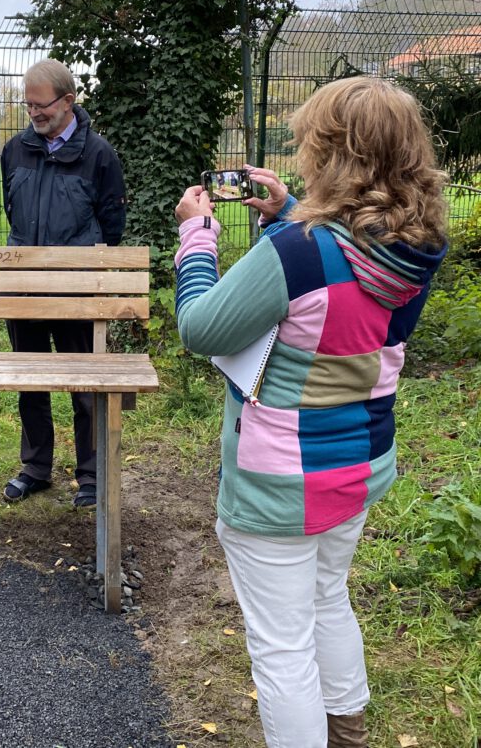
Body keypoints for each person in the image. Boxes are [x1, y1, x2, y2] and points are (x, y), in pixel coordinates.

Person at [173, 76, 448, 748]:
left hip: (278, 484)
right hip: (358, 464)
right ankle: (347, 732)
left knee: (281, 647)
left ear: (332, 154)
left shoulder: (297, 250)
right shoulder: (414, 247)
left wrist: (197, 239)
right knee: (328, 596)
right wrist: (291, 208)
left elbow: (201, 328)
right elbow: (348, 259)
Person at [0, 58, 127, 508]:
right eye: (28, 105)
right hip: (23, 288)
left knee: (85, 385)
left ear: (68, 101)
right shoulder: (15, 149)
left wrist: (79, 267)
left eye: (42, 105)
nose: (34, 113)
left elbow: (112, 226)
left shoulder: (99, 155)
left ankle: (90, 473)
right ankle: (36, 468)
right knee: (30, 381)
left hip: (78, 290)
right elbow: (13, 211)